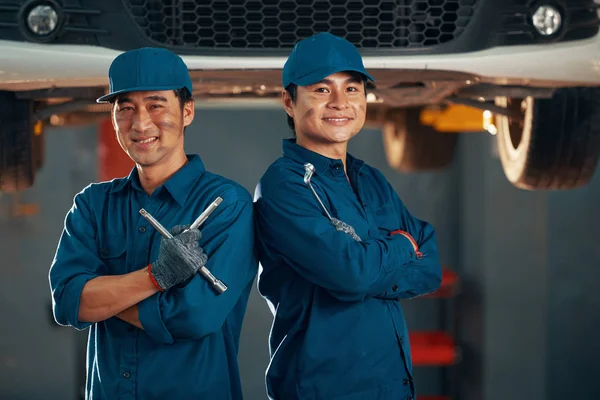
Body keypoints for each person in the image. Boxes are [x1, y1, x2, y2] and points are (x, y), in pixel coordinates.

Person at [49, 47, 257, 400]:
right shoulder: (94, 204)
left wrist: (104, 300)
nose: (140, 123)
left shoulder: (227, 204)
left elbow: (194, 316)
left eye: (156, 105)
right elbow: (68, 303)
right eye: (125, 108)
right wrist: (156, 277)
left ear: (187, 110)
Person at [253, 32, 442, 400]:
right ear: (289, 102)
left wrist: (366, 268)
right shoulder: (283, 187)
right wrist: (400, 246)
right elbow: (351, 275)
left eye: (352, 89)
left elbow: (430, 267)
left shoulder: (370, 179)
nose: (340, 102)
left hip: (391, 386)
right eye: (322, 90)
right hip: (322, 389)